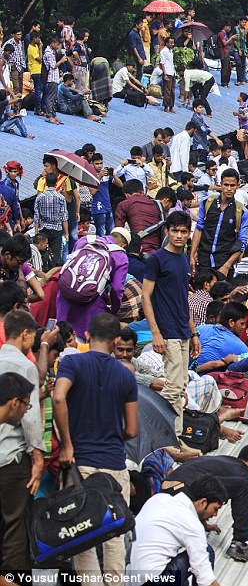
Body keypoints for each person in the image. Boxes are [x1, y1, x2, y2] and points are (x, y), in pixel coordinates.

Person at [52, 312, 137, 580]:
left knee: (83, 538)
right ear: (115, 342)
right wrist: (112, 434)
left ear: (87, 336)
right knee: (114, 537)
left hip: (80, 465)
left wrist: (67, 444)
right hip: (114, 465)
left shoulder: (72, 364)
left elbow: (58, 397)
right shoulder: (125, 375)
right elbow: (132, 430)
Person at [163, 444, 248, 564]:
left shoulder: (226, 461)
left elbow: (200, 486)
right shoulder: (245, 477)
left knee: (212, 484)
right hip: (182, 494)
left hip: (166, 490)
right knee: (242, 486)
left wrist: (203, 523)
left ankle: (199, 519)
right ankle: (240, 545)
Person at [142, 210, 200, 455]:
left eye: (183, 232)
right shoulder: (157, 259)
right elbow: (146, 296)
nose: (178, 235)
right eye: (174, 231)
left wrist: (194, 331)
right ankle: (165, 438)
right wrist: (155, 332)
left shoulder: (184, 259)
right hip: (166, 329)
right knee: (174, 387)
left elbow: (182, 297)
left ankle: (173, 438)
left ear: (188, 234)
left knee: (180, 384)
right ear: (167, 232)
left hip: (182, 329)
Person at [0, 310, 50, 569]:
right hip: (13, 457)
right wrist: (38, 458)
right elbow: (29, 417)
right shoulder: (24, 366)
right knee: (16, 529)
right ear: (26, 334)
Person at [127, 474, 228, 586]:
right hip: (155, 582)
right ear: (203, 502)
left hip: (133, 579)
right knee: (207, 552)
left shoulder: (158, 498)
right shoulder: (192, 524)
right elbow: (206, 579)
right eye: (215, 509)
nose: (215, 515)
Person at [56, 233, 129, 338]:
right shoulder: (120, 256)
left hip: (65, 298)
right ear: (123, 245)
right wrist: (114, 309)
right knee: (86, 342)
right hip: (91, 305)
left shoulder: (85, 240)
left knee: (61, 337)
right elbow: (117, 289)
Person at [190, 169, 248, 276]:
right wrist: (192, 254)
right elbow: (199, 229)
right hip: (203, 260)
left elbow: (241, 241)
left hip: (224, 263)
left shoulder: (241, 212)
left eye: (233, 185)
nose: (229, 189)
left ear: (238, 186)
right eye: (226, 185)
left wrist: (227, 266)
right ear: (220, 184)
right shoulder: (207, 203)